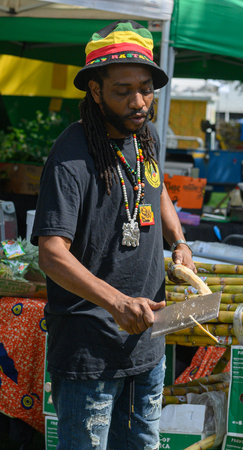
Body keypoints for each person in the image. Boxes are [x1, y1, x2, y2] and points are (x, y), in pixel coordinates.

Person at [31, 20, 195, 450]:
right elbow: (51, 253)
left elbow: (157, 192)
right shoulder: (72, 154)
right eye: (123, 90)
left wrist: (179, 242)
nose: (139, 101)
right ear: (96, 91)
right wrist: (118, 302)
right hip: (91, 350)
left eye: (145, 87)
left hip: (148, 343)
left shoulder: (144, 136)